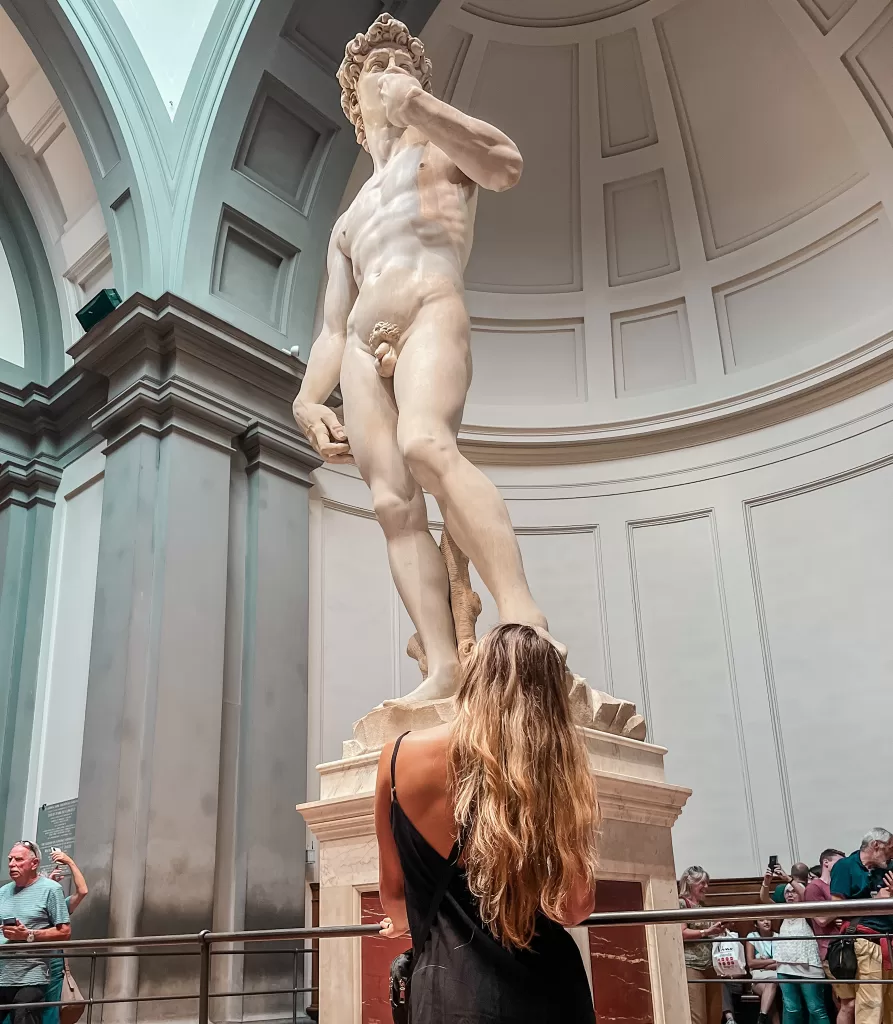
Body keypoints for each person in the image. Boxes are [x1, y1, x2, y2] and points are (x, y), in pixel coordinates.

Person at [292, 14, 558, 704]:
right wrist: (306, 399)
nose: (388, 73)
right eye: (375, 67)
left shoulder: (439, 149)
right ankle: (442, 664)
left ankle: (522, 617)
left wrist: (419, 107)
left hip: (429, 306)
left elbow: (504, 165)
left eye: (400, 64)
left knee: (425, 444)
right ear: (354, 100)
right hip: (360, 344)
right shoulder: (348, 219)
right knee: (391, 503)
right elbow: (330, 327)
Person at [373, 623, 597, 1022]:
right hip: (549, 994)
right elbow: (575, 907)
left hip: (447, 996)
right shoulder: (553, 771)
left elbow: (395, 900)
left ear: (474, 677)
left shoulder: (397, 756)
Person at [0, 842, 70, 1024]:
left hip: (31, 977)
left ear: (34, 863)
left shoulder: (51, 889)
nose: (12, 864)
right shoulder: (3, 892)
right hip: (2, 975)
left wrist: (27, 935)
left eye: (18, 859)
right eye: (10, 859)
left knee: (23, 1017)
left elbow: (64, 932)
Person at [831, 828, 893, 1024]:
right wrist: (876, 902)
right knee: (871, 1004)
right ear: (876, 845)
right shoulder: (846, 866)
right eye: (890, 848)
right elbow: (836, 907)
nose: (892, 854)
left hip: (888, 940)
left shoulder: (888, 868)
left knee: (889, 1004)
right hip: (865, 941)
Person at [802, 849, 851, 1024]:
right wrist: (842, 908)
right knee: (847, 1002)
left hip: (846, 945)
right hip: (830, 949)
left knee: (853, 1001)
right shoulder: (814, 887)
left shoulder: (839, 884)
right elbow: (821, 919)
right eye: (840, 862)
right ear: (826, 863)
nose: (844, 866)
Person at [43, 850, 88, 1024]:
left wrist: (70, 862)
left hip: (52, 967)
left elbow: (82, 891)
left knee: (49, 1013)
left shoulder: (59, 906)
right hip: (26, 966)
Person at [679, 866, 728, 1024]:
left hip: (710, 964)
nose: (706, 887)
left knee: (715, 1014)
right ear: (690, 883)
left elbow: (708, 931)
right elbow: (681, 933)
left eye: (707, 883)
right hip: (692, 965)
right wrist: (707, 931)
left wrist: (719, 929)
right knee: (698, 1016)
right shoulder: (681, 904)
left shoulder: (702, 906)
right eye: (702, 883)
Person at [776, 883, 830, 1024]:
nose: (790, 894)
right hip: (784, 966)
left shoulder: (810, 910)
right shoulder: (781, 910)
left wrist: (788, 879)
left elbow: (806, 893)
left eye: (794, 891)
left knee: (815, 1008)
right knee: (791, 1009)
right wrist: (766, 882)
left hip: (809, 965)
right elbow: (764, 898)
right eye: (787, 892)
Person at [747, 917, 780, 1024]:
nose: (766, 922)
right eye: (761, 920)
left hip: (776, 978)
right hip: (758, 979)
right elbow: (751, 963)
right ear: (756, 924)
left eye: (768, 919)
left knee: (771, 985)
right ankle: (762, 1018)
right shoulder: (752, 936)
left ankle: (761, 1019)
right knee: (770, 1002)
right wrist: (772, 961)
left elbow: (782, 961)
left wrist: (762, 963)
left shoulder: (778, 937)